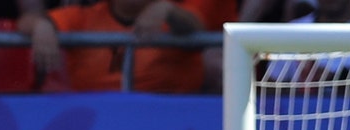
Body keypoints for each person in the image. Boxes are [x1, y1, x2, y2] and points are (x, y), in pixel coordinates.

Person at [16, 0, 222, 93]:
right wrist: (41, 26)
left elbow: (196, 28)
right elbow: (25, 21)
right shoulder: (84, 17)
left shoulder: (175, 16)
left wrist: (168, 10)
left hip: (167, 122)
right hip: (96, 123)